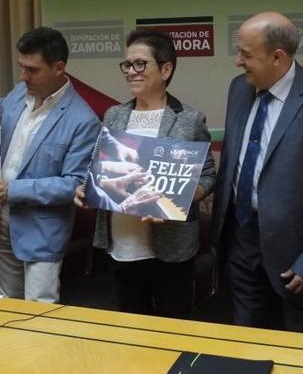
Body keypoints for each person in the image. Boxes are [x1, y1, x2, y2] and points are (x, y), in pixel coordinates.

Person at [210, 12, 303, 335]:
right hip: (241, 245)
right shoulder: (239, 89)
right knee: (246, 346)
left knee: (301, 355)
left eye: (246, 54)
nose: (238, 61)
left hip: (299, 258)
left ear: (277, 57)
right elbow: (233, 166)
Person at [75, 28, 216, 319]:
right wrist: (88, 188)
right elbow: (98, 168)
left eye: (140, 64)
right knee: (131, 328)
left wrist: (182, 197)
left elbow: (208, 175)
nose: (131, 71)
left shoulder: (189, 120)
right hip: (122, 245)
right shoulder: (114, 115)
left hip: (172, 247)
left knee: (172, 330)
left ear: (166, 69)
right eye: (127, 64)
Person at [0, 27, 100, 303]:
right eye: (21, 67)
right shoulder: (17, 94)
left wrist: (12, 190)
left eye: (32, 69)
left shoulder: (82, 120)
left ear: (59, 68)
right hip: (0, 221)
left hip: (42, 230)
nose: (23, 76)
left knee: (40, 315)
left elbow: (75, 183)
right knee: (7, 306)